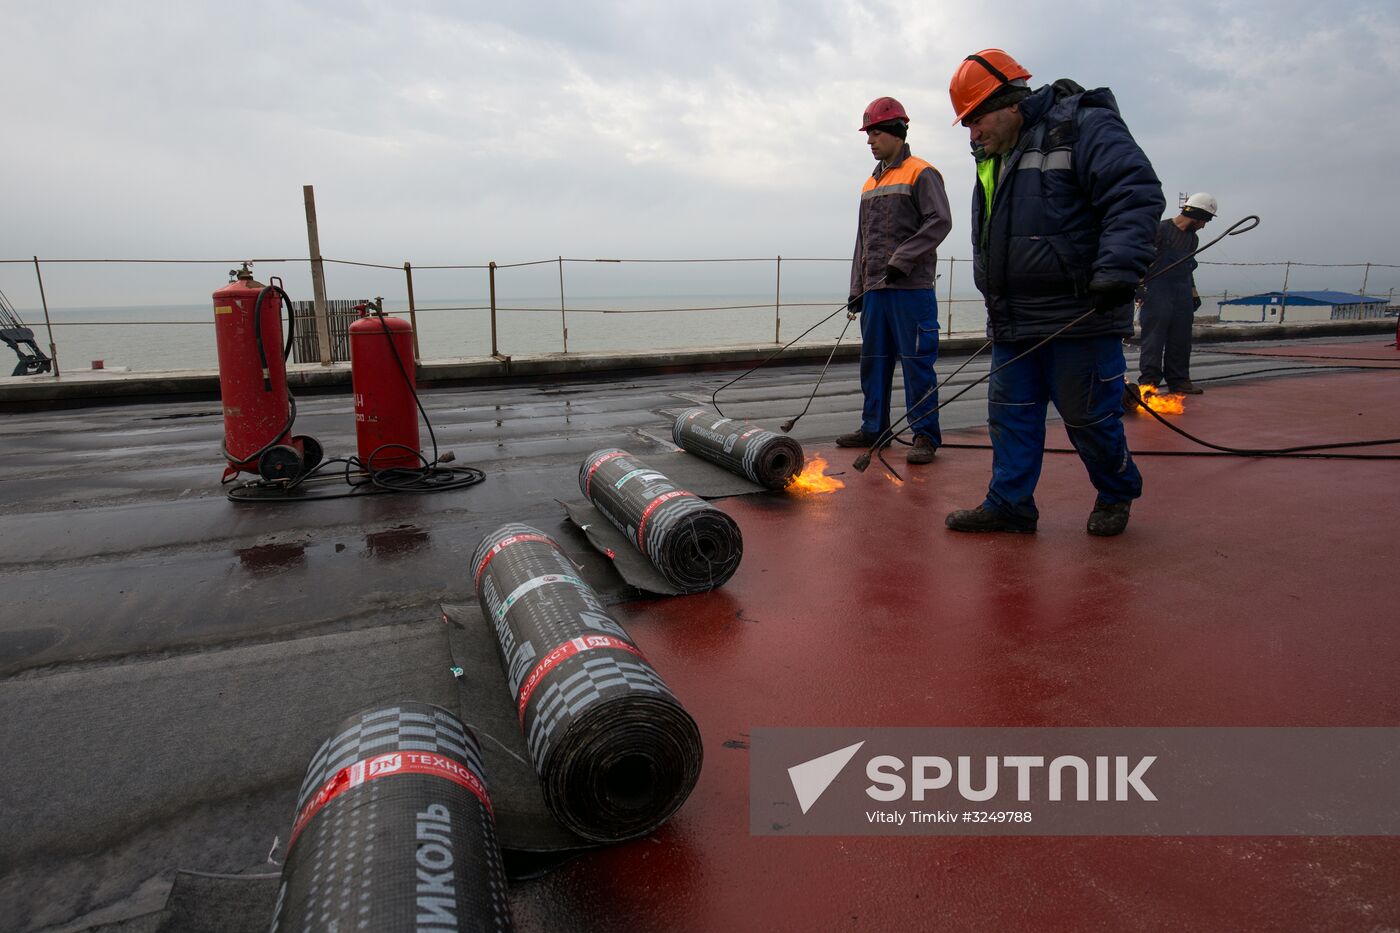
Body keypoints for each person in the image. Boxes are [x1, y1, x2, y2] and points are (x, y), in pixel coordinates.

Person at [943, 50, 1165, 536]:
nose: (972, 133)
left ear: (1011, 104)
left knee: (1090, 419)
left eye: (976, 119)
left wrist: (1117, 271)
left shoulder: (1082, 126)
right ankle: (1010, 503)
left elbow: (1135, 193)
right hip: (1012, 317)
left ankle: (1116, 491)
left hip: (1079, 312)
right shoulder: (994, 156)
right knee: (1010, 417)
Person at [836, 96, 953, 465]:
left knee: (917, 361)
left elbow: (940, 221)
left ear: (898, 133)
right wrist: (856, 289)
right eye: (868, 134)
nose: (870, 140)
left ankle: (924, 435)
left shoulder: (922, 173)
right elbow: (862, 240)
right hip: (875, 292)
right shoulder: (869, 183)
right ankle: (875, 428)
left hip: (910, 290)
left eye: (876, 133)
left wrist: (903, 259)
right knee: (873, 361)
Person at [1137, 193, 1217, 394]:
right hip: (1156, 289)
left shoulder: (1192, 239)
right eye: (1204, 221)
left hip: (1181, 291)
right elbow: (1139, 260)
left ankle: (1179, 380)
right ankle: (1149, 383)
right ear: (1196, 215)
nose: (1203, 226)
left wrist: (1193, 293)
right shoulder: (1159, 230)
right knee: (1154, 339)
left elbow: (1188, 268)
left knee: (1181, 338)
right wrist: (1138, 286)